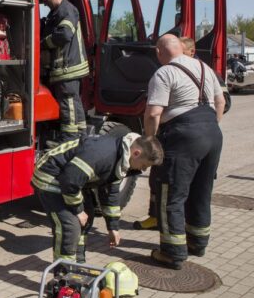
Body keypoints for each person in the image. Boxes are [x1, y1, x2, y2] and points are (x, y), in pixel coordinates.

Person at [144, 34, 224, 269]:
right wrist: (209, 128)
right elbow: (220, 102)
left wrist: (150, 142)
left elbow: (153, 113)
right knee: (201, 191)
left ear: (160, 52)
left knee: (171, 194)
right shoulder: (204, 67)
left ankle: (172, 252)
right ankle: (198, 243)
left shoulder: (164, 72)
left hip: (183, 136)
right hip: (212, 133)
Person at [32, 132, 164, 263]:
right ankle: (64, 275)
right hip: (51, 178)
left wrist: (113, 227)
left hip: (72, 181)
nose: (144, 169)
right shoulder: (103, 154)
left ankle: (78, 263)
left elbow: (110, 194)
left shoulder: (122, 160)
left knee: (87, 216)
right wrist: (78, 210)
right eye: (145, 165)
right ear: (136, 153)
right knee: (69, 227)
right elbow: (70, 180)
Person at [134, 36, 197, 230]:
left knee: (172, 187)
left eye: (185, 51)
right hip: (185, 131)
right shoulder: (203, 71)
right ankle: (157, 217)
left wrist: (149, 141)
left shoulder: (178, 70)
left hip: (183, 133)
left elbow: (224, 100)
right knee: (158, 178)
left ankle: (173, 243)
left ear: (191, 52)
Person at [40, 0, 90, 142]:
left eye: (46, 0)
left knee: (68, 103)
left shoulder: (67, 10)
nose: (45, 4)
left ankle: (70, 139)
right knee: (74, 103)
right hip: (67, 69)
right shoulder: (58, 11)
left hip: (68, 69)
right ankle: (81, 136)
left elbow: (64, 35)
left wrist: (43, 43)